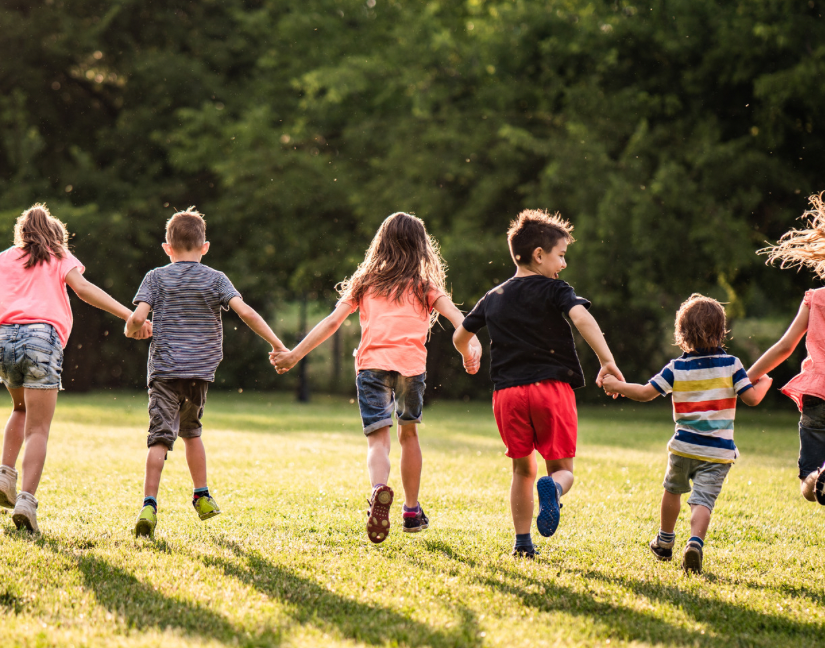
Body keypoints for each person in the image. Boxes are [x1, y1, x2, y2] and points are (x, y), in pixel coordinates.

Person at [0, 204, 138, 533]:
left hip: (3, 342)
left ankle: (5, 473)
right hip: (42, 339)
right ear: (55, 237)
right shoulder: (59, 257)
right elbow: (85, 290)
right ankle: (26, 502)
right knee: (38, 429)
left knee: (19, 408)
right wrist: (128, 315)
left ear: (20, 233)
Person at [271, 212, 482, 543]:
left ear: (380, 244)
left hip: (371, 366)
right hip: (411, 368)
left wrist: (295, 354)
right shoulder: (425, 286)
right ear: (421, 247)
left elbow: (332, 322)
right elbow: (460, 319)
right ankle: (411, 512)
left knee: (378, 440)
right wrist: (472, 348)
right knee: (408, 435)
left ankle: (378, 492)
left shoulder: (365, 283)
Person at [452, 209, 621, 558]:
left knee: (521, 467)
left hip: (507, 394)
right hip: (550, 390)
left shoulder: (494, 295)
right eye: (561, 255)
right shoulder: (556, 290)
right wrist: (608, 361)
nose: (563, 264)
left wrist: (468, 353)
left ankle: (522, 543)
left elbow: (460, 334)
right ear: (539, 255)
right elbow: (582, 318)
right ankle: (554, 492)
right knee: (562, 471)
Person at [125, 207, 285, 539]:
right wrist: (277, 343)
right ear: (205, 247)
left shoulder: (155, 277)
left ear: (167, 248)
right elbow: (246, 313)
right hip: (199, 374)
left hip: (164, 373)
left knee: (159, 439)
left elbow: (138, 318)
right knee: (192, 433)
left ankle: (149, 504)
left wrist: (132, 329)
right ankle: (202, 494)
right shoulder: (216, 278)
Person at [601, 295, 771, 572]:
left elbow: (645, 393)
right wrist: (764, 382)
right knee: (702, 501)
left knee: (672, 491)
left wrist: (616, 385)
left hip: (683, 447)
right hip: (718, 452)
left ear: (681, 333)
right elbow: (751, 399)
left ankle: (665, 541)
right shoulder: (732, 365)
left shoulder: (677, 367)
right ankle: (694, 543)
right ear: (720, 331)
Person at [744, 193, 825, 575]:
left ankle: (815, 476)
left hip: (818, 394)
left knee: (810, 472)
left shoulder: (816, 299)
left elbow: (785, 346)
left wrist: (749, 375)